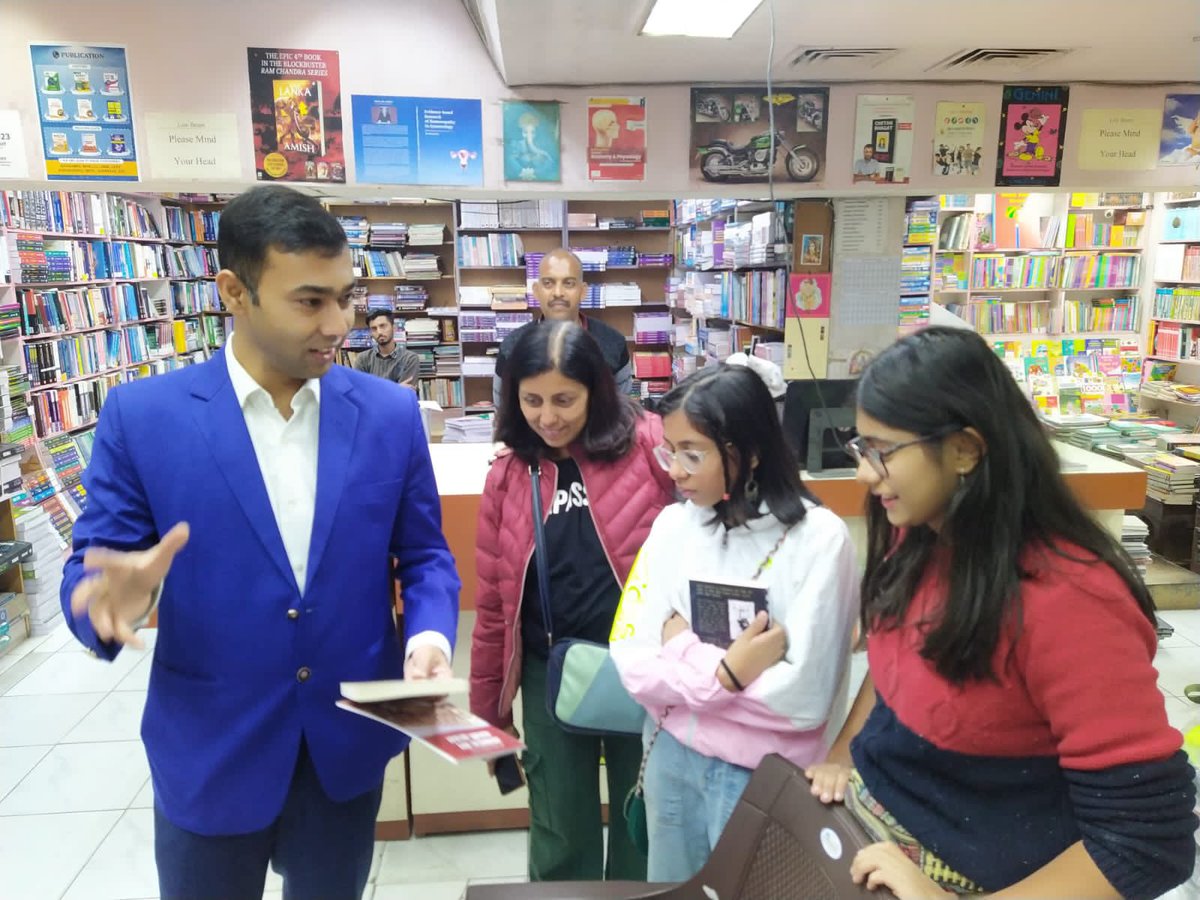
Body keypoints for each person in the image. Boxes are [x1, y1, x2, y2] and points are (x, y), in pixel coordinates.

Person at [61, 185, 460, 900]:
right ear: (233, 292)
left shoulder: (389, 413)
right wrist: (107, 603)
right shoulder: (144, 417)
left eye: (346, 296)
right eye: (311, 301)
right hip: (211, 749)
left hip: (348, 743)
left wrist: (429, 635)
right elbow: (92, 570)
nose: (339, 323)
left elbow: (425, 555)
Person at [806, 327, 1196, 899]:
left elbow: (1145, 842)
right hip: (865, 836)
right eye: (861, 448)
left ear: (965, 449)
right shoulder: (916, 536)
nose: (866, 473)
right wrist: (841, 756)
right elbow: (901, 675)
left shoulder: (1070, 600)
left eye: (883, 452)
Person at [609, 364, 859, 883]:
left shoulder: (820, 542)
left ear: (750, 452)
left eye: (692, 454)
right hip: (669, 758)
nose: (674, 470)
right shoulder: (673, 525)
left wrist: (678, 649)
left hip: (759, 775)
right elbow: (630, 659)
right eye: (669, 450)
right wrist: (727, 673)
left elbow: (802, 703)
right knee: (671, 891)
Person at [470, 320, 675, 882]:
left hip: (648, 672)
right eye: (531, 400)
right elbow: (493, 608)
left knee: (648, 818)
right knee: (561, 823)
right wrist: (489, 714)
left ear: (597, 390)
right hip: (550, 673)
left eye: (565, 399)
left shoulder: (652, 446)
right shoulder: (509, 477)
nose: (548, 416)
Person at [492, 249, 632, 409]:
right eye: (548, 283)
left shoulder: (613, 343)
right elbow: (503, 414)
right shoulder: (512, 347)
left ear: (583, 291)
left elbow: (622, 414)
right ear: (536, 291)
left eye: (569, 283)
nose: (558, 293)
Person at [354, 308, 420, 388]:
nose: (379, 332)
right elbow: (360, 392)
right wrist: (397, 388)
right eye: (374, 329)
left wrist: (373, 390)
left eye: (383, 326)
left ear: (394, 327)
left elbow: (404, 395)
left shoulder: (410, 359)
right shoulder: (363, 359)